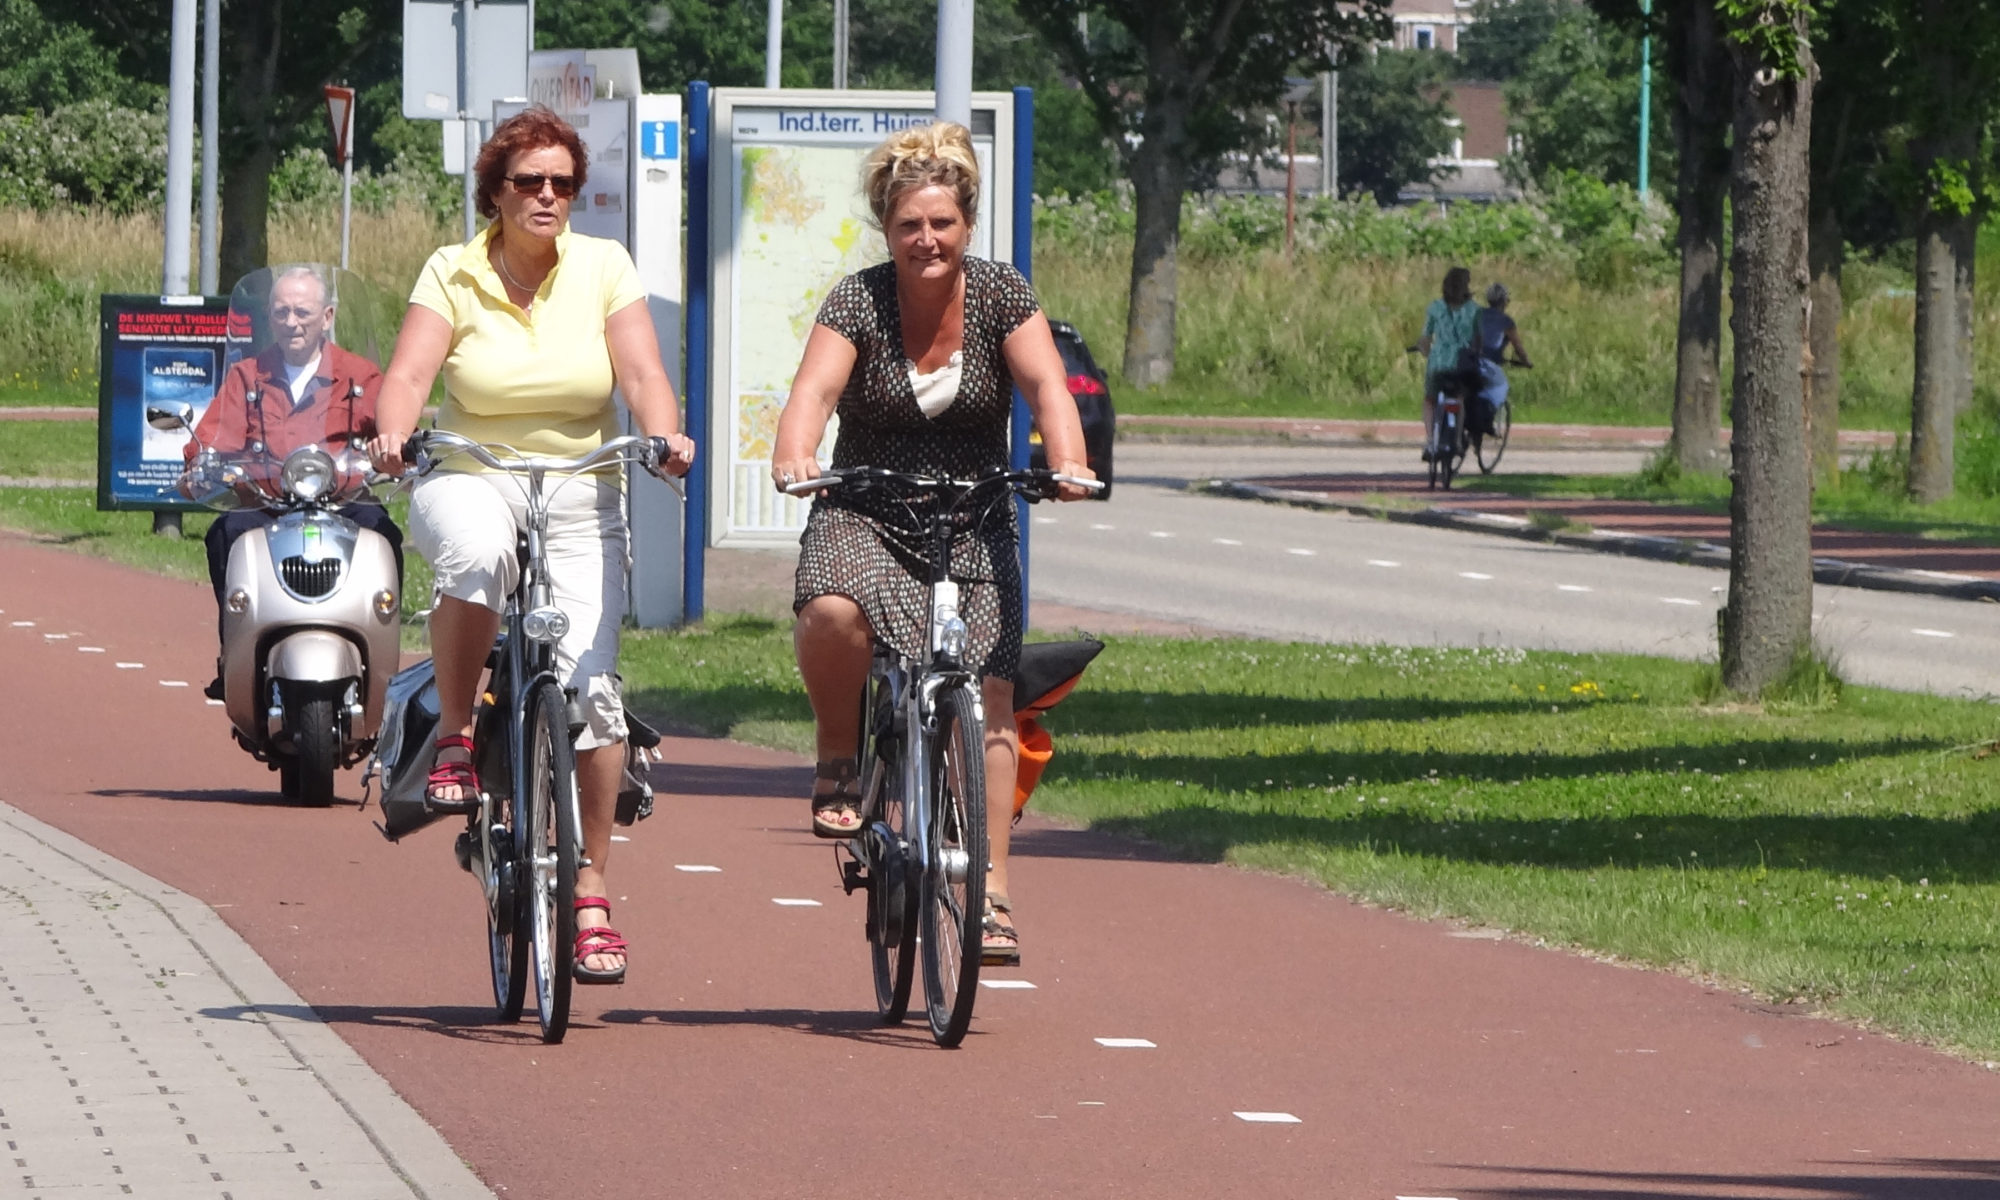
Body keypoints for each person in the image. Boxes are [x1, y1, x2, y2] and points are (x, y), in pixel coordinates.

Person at [366, 106, 696, 986]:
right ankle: (458, 735)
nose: (547, 197)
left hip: (584, 481)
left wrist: (665, 435)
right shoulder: (452, 270)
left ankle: (590, 892)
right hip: (473, 470)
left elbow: (641, 374)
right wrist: (393, 433)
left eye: (562, 184)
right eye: (528, 183)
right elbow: (406, 376)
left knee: (593, 692)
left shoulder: (602, 267)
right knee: (474, 556)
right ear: (496, 192)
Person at [769, 122, 1096, 968]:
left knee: (988, 698)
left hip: (974, 509)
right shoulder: (858, 300)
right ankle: (840, 756)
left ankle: (990, 896)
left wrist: (1066, 462)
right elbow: (813, 392)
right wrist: (796, 454)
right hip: (868, 508)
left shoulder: (1001, 295)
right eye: (910, 225)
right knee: (832, 611)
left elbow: (1046, 386)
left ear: (967, 226)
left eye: (943, 224)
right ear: (888, 229)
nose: (927, 240)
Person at [185, 264, 404, 698]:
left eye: (302, 312)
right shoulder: (247, 375)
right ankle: (236, 653)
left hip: (342, 501)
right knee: (225, 534)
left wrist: (396, 450)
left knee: (385, 536)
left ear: (327, 317)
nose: (291, 323)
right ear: (269, 318)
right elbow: (214, 437)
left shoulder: (361, 376)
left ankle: (384, 663)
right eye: (281, 312)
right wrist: (200, 463)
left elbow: (390, 431)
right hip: (269, 503)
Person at [1412, 265, 1479, 462]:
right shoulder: (1474, 310)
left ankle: (1431, 442)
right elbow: (1478, 340)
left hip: (1438, 362)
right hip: (1461, 363)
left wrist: (1425, 351)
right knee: (1459, 398)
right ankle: (1457, 441)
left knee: (1429, 400)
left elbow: (1425, 338)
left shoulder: (1435, 308)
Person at [1473, 281, 1532, 434]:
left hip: (1467, 359)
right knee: (1501, 386)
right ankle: (1488, 420)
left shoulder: (1477, 314)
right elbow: (1518, 348)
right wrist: (1526, 362)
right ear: (1505, 301)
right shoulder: (1506, 322)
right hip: (1488, 363)